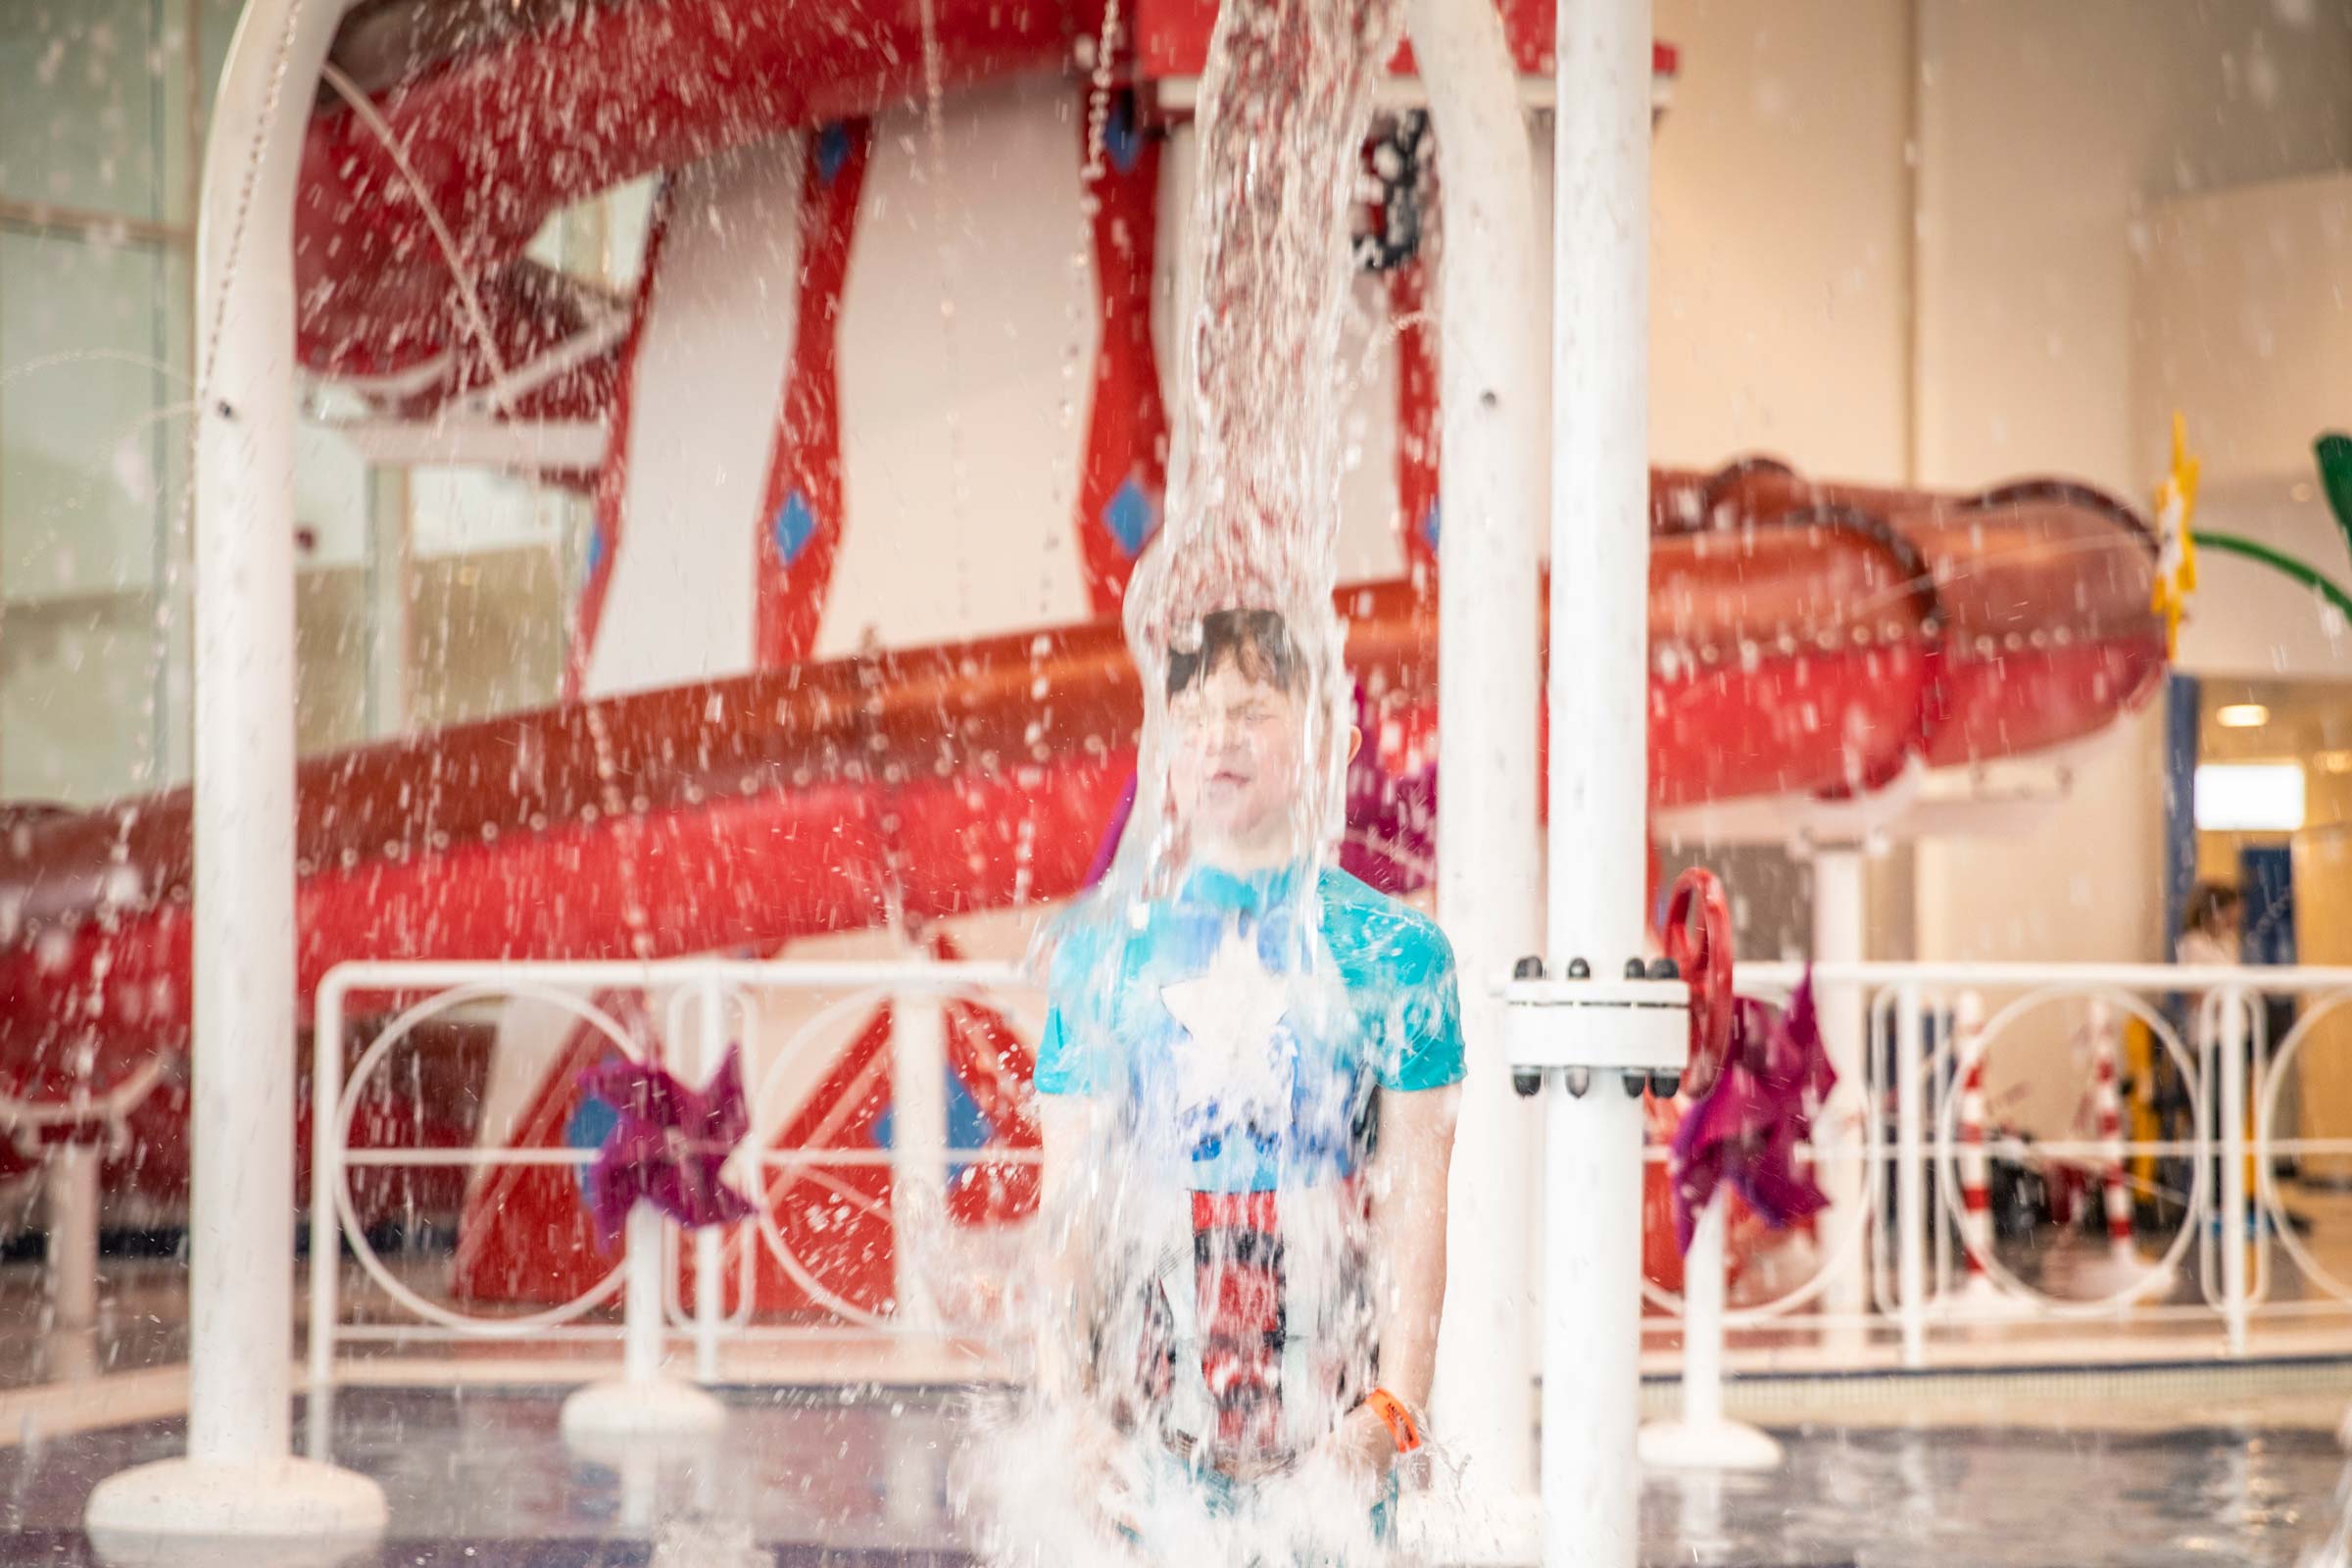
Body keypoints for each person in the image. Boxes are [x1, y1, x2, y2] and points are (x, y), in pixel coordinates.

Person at [1032, 608, 1462, 1560]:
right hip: (1147, 1442)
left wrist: (1392, 1411)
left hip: (1329, 1437)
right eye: (1194, 712)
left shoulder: (1397, 953)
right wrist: (1071, 1412)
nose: (1218, 735)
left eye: (1254, 709)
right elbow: (1067, 1209)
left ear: (1327, 742)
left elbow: (1414, 1201)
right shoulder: (1102, 952)